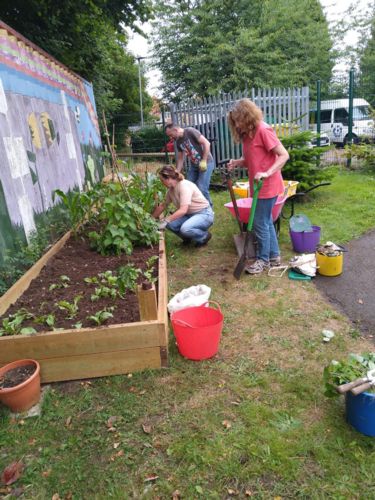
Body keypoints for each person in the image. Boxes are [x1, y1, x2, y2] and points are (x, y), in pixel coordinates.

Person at [227, 98, 289, 274]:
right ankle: (274, 256)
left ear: (247, 116)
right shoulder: (247, 135)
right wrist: (238, 162)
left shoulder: (263, 130)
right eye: (234, 122)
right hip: (258, 185)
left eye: (239, 120)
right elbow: (252, 160)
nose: (237, 125)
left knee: (260, 224)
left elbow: (284, 155)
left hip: (267, 185)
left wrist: (267, 173)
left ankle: (263, 260)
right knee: (266, 222)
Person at [152, 165, 214, 247]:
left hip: (204, 214)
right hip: (189, 215)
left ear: (168, 178)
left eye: (162, 180)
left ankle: (204, 236)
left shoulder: (184, 186)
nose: (161, 182)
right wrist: (151, 219)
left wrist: (166, 220)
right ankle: (188, 238)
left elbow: (183, 210)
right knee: (171, 224)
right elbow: (163, 206)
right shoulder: (170, 191)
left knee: (185, 229)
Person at [164, 123, 215, 205]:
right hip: (194, 166)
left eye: (171, 135)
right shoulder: (178, 142)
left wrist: (204, 160)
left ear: (175, 130)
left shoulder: (190, 131)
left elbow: (207, 143)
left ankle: (209, 209)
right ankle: (194, 207)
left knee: (202, 187)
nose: (170, 138)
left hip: (207, 162)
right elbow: (180, 159)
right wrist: (177, 171)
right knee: (187, 186)